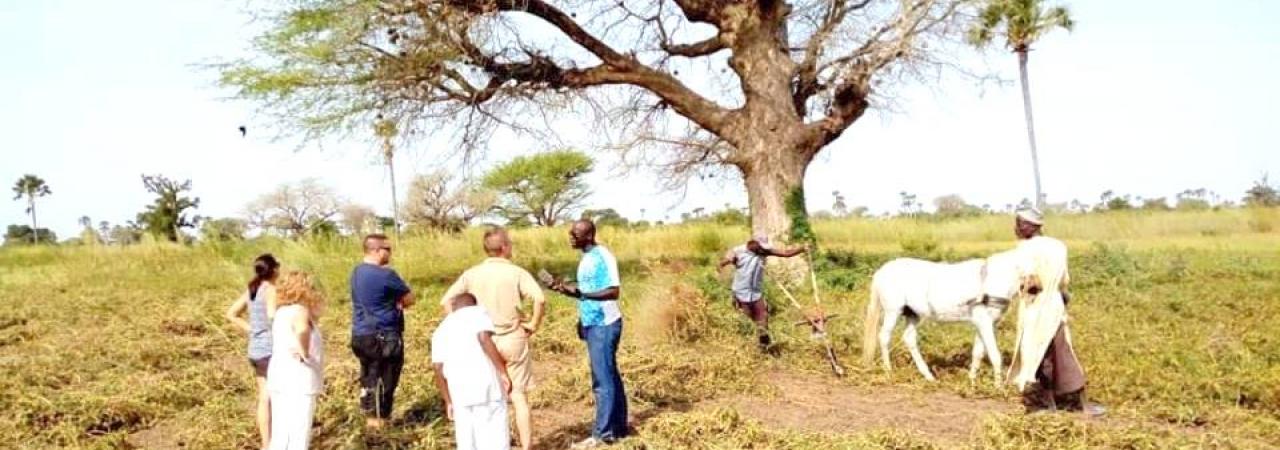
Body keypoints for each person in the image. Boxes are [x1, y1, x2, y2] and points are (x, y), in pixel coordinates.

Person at [440, 228, 546, 450]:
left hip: (482, 341)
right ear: (505, 247)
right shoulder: (517, 272)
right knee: (518, 396)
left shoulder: (472, 273)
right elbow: (540, 298)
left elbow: (446, 300)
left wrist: (463, 326)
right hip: (512, 337)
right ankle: (526, 446)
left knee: (491, 398)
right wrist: (533, 325)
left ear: (486, 249)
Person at [1006, 207, 1104, 416]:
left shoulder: (1025, 248)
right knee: (1063, 351)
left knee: (1040, 355)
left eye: (1019, 223)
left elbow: (1031, 282)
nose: (1016, 228)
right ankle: (1083, 404)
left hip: (1036, 307)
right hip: (1055, 305)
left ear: (1031, 226)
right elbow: (1064, 281)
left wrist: (1023, 292)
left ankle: (1048, 405)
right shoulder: (1058, 246)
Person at [549, 220, 628, 449]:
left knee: (602, 381)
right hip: (592, 322)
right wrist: (568, 292)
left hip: (605, 324)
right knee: (609, 375)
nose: (571, 237)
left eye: (576, 234)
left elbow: (614, 291)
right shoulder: (586, 257)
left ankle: (601, 435)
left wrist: (583, 294)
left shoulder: (604, 255)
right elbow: (587, 294)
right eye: (571, 233)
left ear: (590, 235)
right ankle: (618, 428)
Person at [350, 233, 416, 428]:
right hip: (384, 336)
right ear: (377, 250)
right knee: (385, 381)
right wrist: (396, 301)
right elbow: (410, 298)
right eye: (388, 249)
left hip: (361, 334)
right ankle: (379, 428)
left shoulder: (356, 272)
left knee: (369, 379)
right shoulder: (386, 275)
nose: (390, 252)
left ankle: (371, 422)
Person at [432, 293, 513, 450]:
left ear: (454, 308)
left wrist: (448, 401)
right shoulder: (477, 313)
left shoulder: (441, 329)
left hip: (459, 393)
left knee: (467, 441)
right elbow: (483, 338)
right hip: (486, 388)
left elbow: (437, 367)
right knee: (495, 438)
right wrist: (502, 371)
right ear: (473, 304)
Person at [224, 253, 280, 449]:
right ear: (273, 270)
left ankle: (267, 443)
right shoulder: (271, 290)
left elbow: (231, 314)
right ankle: (270, 444)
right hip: (270, 350)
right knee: (269, 397)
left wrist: (252, 330)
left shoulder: (252, 289)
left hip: (255, 349)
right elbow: (273, 318)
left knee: (264, 396)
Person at [266, 270, 326, 450]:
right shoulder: (300, 311)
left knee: (281, 433)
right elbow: (302, 330)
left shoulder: (281, 312)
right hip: (299, 377)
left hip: (279, 374)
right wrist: (305, 352)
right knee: (299, 433)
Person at [718, 235, 807, 350]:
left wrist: (802, 248)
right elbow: (723, 263)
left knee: (763, 319)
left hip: (756, 292)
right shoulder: (738, 251)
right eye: (760, 247)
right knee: (748, 320)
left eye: (764, 248)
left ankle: (765, 347)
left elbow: (786, 253)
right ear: (752, 243)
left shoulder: (763, 251)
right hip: (741, 292)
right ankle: (746, 348)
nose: (763, 249)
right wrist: (723, 266)